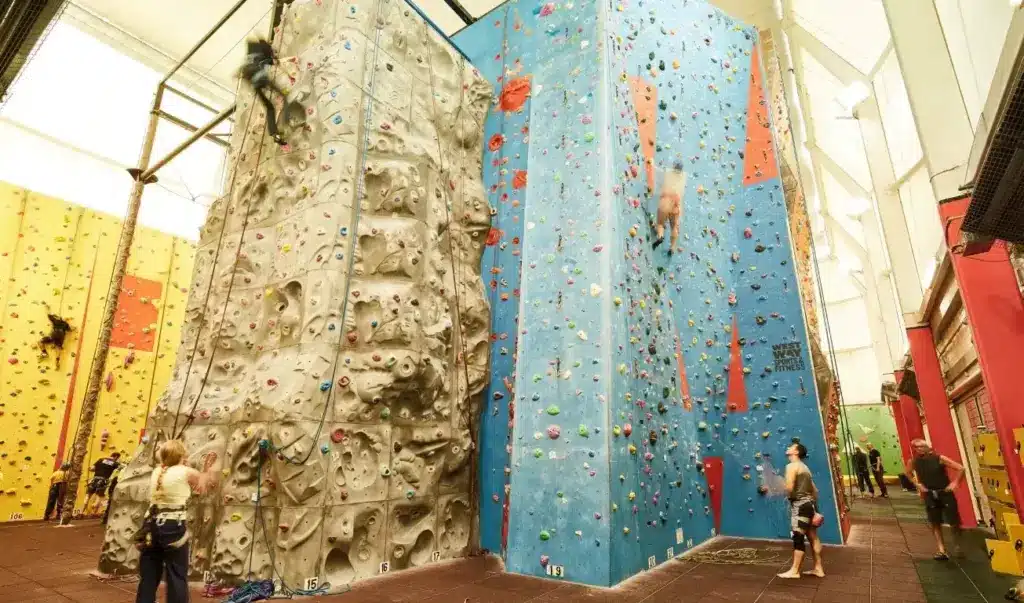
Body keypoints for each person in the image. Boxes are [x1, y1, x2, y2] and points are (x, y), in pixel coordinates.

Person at [135, 440, 218, 603]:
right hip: (172, 526)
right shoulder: (186, 472)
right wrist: (207, 468)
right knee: (176, 573)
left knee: (149, 574)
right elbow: (203, 487)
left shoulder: (157, 471)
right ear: (181, 455)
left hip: (150, 526)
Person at [906, 438, 964, 560]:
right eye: (916, 447)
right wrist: (917, 485)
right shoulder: (913, 462)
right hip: (930, 494)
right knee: (935, 522)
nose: (919, 449)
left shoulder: (939, 458)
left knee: (954, 521)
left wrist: (955, 483)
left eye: (921, 446)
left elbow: (960, 468)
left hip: (945, 492)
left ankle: (958, 545)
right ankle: (941, 550)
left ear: (927, 447)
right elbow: (908, 473)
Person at [239, 38, 304, 146]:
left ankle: (275, 134)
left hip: (256, 85)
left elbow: (244, 72)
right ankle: (286, 122)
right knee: (284, 97)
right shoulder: (262, 57)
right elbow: (277, 62)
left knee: (270, 108)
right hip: (263, 80)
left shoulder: (251, 59)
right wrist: (288, 73)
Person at [777, 441, 825, 579]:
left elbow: (790, 488)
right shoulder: (805, 468)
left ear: (796, 452)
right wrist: (814, 509)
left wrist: (775, 489)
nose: (788, 447)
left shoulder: (791, 466)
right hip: (810, 505)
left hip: (800, 506)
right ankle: (818, 568)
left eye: (791, 447)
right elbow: (815, 491)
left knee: (798, 537)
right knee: (813, 537)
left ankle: (795, 571)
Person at [651, 162, 686, 255]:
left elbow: (657, 173)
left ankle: (660, 236)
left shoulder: (667, 174)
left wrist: (651, 164)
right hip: (675, 206)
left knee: (660, 224)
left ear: (673, 167)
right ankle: (672, 247)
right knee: (674, 227)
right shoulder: (682, 179)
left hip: (665, 204)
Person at [84, 452, 121, 516]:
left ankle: (83, 511)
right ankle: (94, 510)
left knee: (88, 495)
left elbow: (92, 469)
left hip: (94, 479)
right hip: (103, 481)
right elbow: (121, 468)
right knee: (99, 496)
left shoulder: (100, 460)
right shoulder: (115, 463)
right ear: (116, 457)